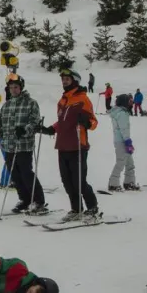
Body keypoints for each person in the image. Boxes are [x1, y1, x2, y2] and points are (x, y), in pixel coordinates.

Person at [0, 75, 47, 215]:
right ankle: (24, 200)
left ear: (21, 88)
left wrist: (25, 129)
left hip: (24, 145)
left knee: (26, 173)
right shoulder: (6, 105)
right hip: (9, 145)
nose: (13, 90)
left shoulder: (31, 103)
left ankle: (38, 201)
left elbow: (35, 122)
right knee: (15, 175)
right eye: (11, 88)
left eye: (16, 87)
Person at [38, 69, 102, 222]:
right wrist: (51, 129)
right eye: (63, 79)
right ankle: (76, 209)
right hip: (63, 145)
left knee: (79, 181)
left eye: (67, 79)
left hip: (78, 145)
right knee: (67, 181)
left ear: (75, 81)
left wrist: (86, 123)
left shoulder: (83, 99)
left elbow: (94, 122)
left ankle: (92, 208)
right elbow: (62, 122)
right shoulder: (62, 100)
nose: (64, 81)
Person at [107, 93, 138, 192]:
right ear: (124, 102)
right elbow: (123, 129)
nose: (131, 103)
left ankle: (129, 182)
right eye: (129, 101)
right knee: (121, 162)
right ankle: (113, 183)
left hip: (122, 141)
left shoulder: (120, 112)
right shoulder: (122, 114)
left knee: (129, 163)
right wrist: (128, 142)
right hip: (122, 142)